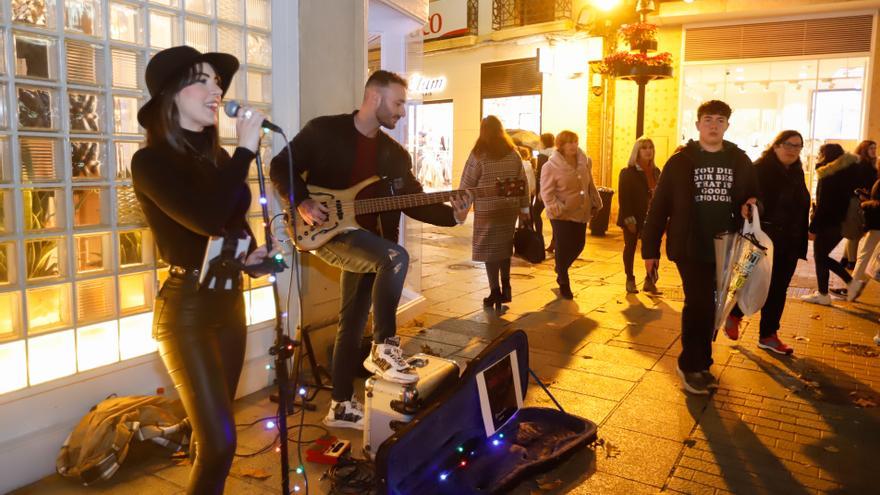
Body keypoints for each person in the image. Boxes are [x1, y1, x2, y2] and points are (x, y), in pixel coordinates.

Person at [269, 70, 471, 430]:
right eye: (398, 103)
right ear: (375, 99)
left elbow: (415, 201)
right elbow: (279, 165)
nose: (402, 112)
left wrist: (453, 216)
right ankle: (384, 347)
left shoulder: (394, 155)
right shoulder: (324, 131)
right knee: (395, 257)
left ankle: (342, 404)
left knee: (352, 322)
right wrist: (301, 201)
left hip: (369, 242)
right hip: (327, 233)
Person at [131, 46, 277, 494]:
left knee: (209, 436)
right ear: (171, 97)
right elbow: (207, 217)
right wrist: (246, 151)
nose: (217, 89)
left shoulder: (213, 160)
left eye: (218, 81)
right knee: (221, 443)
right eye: (203, 79)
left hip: (228, 301)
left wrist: (248, 254)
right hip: (186, 313)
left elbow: (229, 219)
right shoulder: (150, 162)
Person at [641, 100, 758, 395]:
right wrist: (650, 249)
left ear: (727, 126)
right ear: (697, 125)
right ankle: (690, 365)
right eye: (708, 119)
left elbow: (754, 196)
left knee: (713, 307)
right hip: (690, 245)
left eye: (720, 120)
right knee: (700, 304)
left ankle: (702, 362)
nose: (714, 125)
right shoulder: (681, 161)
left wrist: (751, 205)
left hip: (726, 246)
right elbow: (659, 206)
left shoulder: (739, 160)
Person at [722, 131, 810, 355]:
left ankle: (768, 335)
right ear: (776, 146)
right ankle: (733, 314)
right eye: (788, 145)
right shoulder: (759, 169)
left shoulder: (798, 173)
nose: (792, 150)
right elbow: (744, 196)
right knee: (747, 278)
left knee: (778, 289)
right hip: (760, 238)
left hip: (788, 242)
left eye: (797, 146)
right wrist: (749, 204)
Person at [460, 117, 531, 308]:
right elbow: (523, 184)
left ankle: (494, 291)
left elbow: (467, 183)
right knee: (504, 248)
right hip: (509, 210)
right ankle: (506, 286)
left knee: (490, 251)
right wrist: (525, 209)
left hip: (487, 211)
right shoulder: (513, 153)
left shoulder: (479, 154)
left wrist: (461, 209)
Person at [540, 130, 602, 299]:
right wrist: (558, 208)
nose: (573, 145)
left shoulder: (584, 161)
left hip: (580, 211)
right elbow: (546, 193)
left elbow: (590, 184)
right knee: (563, 244)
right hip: (560, 215)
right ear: (560, 145)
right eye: (569, 142)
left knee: (579, 244)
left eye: (575, 141)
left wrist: (595, 202)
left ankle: (561, 268)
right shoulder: (550, 166)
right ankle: (564, 281)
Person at [800, 144, 855, 305]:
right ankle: (849, 284)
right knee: (822, 257)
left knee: (820, 257)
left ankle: (824, 293)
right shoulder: (847, 172)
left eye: (819, 153)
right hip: (841, 222)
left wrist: (813, 227)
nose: (817, 156)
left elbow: (823, 205)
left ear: (825, 155)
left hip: (827, 223)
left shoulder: (827, 174)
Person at [617, 137, 661, 294]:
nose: (648, 150)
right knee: (630, 247)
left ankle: (650, 280)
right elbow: (624, 198)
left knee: (653, 250)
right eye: (644, 148)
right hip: (634, 217)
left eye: (651, 147)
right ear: (637, 151)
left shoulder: (657, 172)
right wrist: (629, 220)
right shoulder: (628, 172)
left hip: (652, 217)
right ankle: (630, 278)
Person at [840, 140, 877, 269]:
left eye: (875, 148)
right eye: (871, 148)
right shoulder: (860, 164)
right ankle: (852, 262)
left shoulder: (869, 164)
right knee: (855, 233)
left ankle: (845, 259)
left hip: (862, 200)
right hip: (856, 200)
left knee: (855, 232)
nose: (874, 151)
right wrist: (858, 193)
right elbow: (849, 183)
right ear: (864, 149)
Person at [847, 164, 880, 302]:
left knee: (865, 255)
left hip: (877, 225)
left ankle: (853, 289)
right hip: (877, 224)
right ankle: (855, 288)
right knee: (870, 257)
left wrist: (866, 203)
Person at [534, 132, 555, 240]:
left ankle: (539, 238)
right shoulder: (555, 155)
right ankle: (554, 241)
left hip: (544, 190)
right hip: (554, 189)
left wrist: (540, 191)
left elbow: (542, 175)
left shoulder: (543, 156)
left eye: (540, 141)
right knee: (553, 217)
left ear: (544, 142)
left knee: (535, 213)